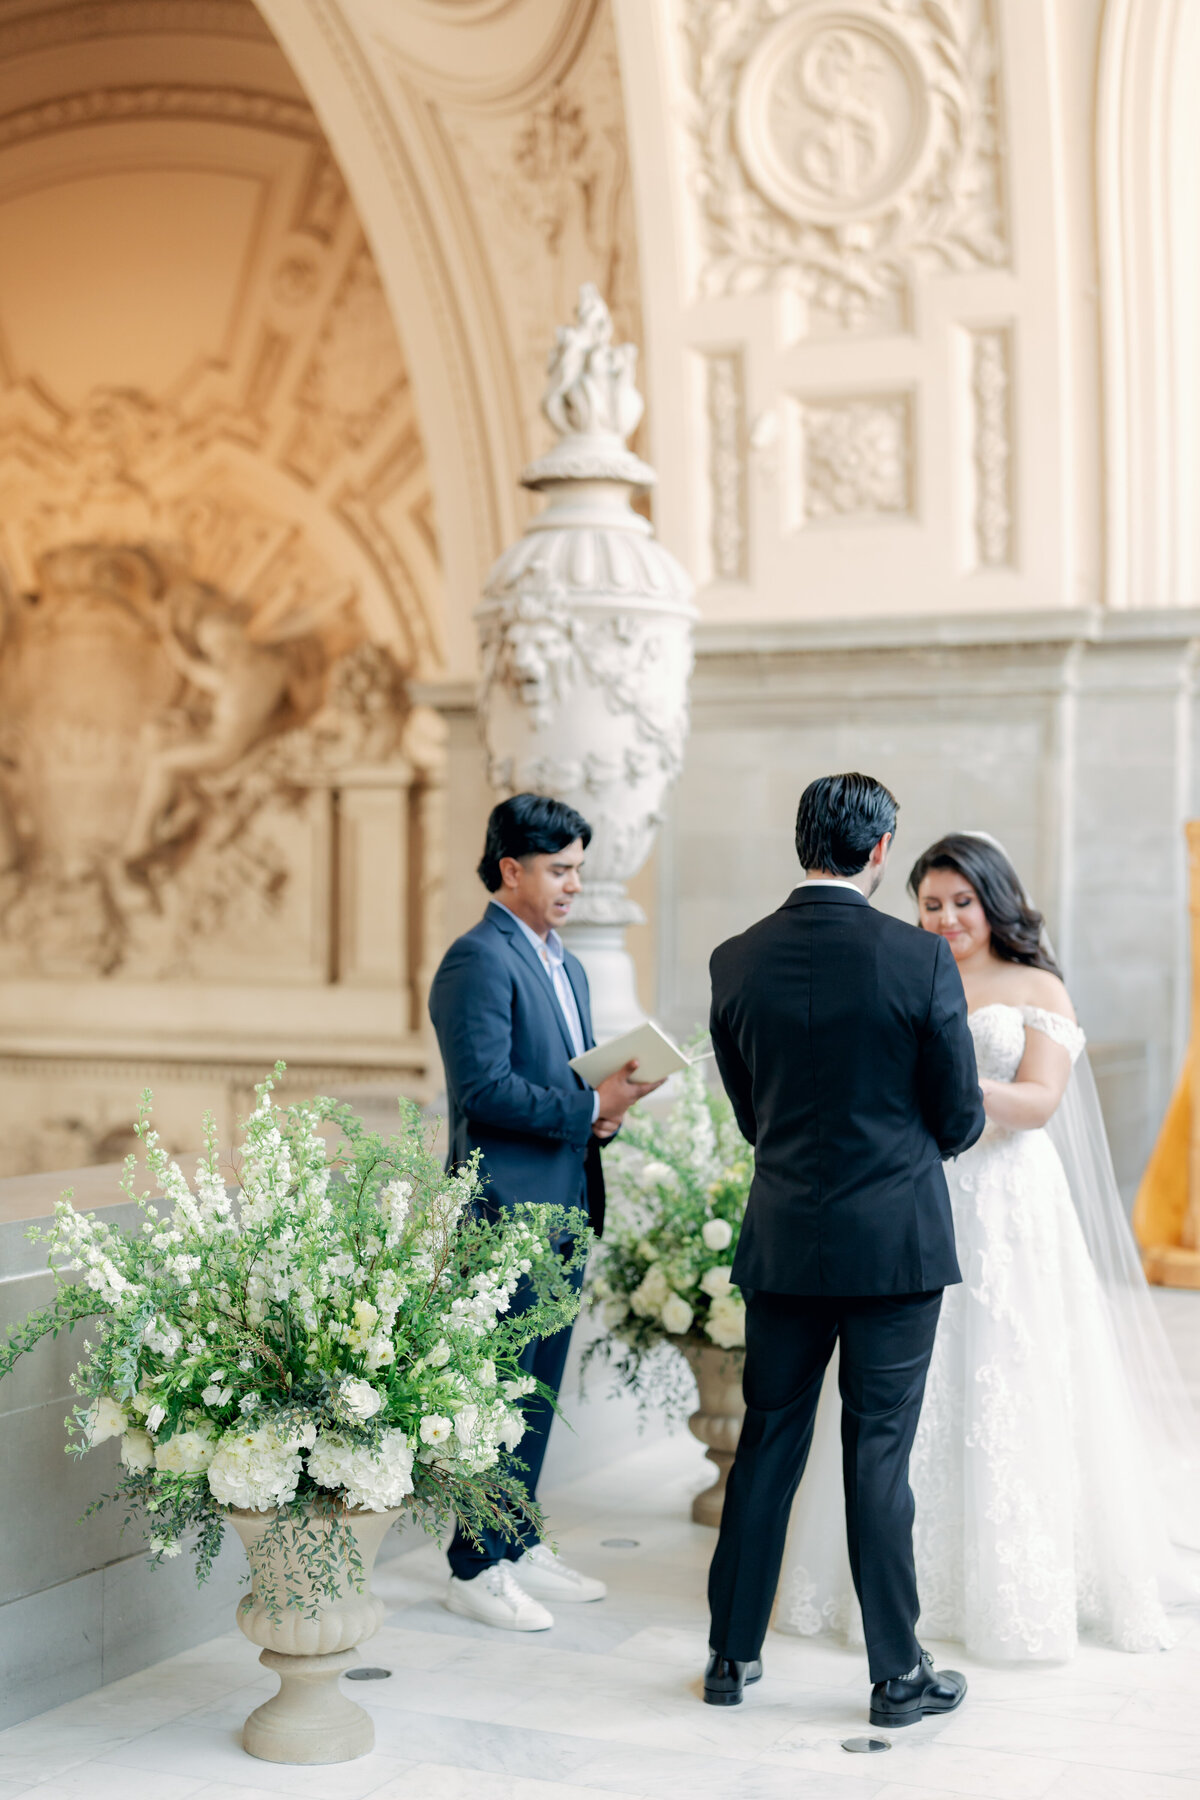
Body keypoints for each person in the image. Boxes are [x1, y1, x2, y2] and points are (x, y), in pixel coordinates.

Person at [776, 832, 1200, 1661]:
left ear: (993, 901)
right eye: (930, 904)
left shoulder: (1036, 984)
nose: (945, 919)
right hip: (920, 1196)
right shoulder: (906, 966)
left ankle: (1016, 1583)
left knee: (1013, 1374)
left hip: (1011, 1205)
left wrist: (948, 1087)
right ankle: (900, 1584)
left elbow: (1040, 1100)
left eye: (960, 902)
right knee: (913, 1389)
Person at [703, 774, 985, 1728]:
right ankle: (896, 1677)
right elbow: (960, 1113)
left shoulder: (735, 959)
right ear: (879, 849)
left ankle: (729, 1659)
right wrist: (913, 1149)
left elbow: (751, 1114)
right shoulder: (919, 959)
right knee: (877, 1454)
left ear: (804, 843)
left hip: (784, 1239)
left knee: (766, 1447)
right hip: (896, 1246)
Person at [429, 793, 662, 1631]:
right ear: (510, 869)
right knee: (494, 1389)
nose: (573, 887)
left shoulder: (564, 962)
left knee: (537, 1388)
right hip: (503, 1209)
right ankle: (472, 1566)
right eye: (560, 871)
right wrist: (582, 1106)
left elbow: (561, 1082)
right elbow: (483, 1090)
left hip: (566, 1199)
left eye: (578, 871)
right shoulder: (476, 961)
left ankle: (517, 1542)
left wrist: (602, 1108)